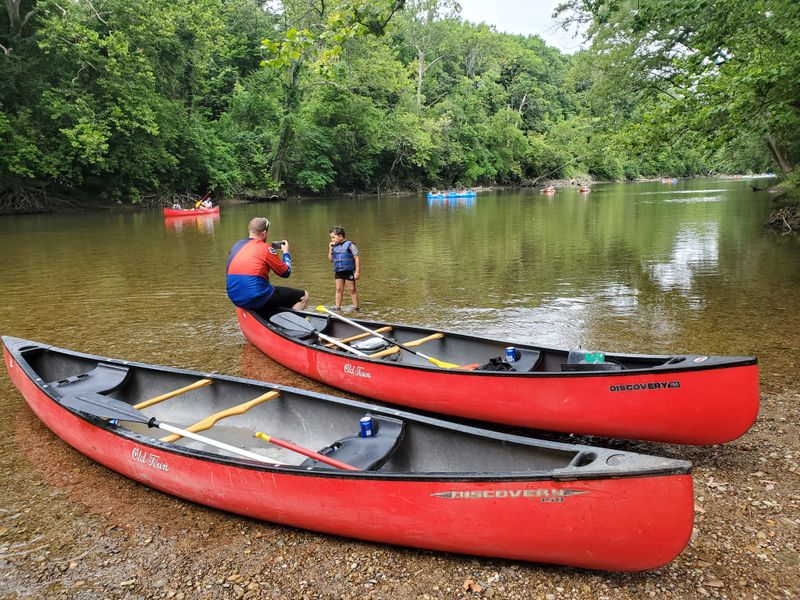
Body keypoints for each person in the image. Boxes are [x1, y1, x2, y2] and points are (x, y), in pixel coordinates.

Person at [226, 217, 309, 317]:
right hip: (256, 297)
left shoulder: (237, 245)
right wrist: (286, 253)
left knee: (268, 288)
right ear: (264, 233)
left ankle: (263, 314)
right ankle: (291, 324)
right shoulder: (266, 248)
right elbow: (285, 272)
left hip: (235, 297)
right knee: (304, 296)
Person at [327, 226, 360, 311]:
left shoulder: (350, 245)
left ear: (341, 236)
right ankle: (337, 307)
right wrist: (330, 249)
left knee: (352, 290)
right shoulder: (333, 247)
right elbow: (330, 260)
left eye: (333, 237)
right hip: (338, 272)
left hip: (348, 271)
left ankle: (356, 308)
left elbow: (356, 258)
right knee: (338, 289)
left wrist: (357, 272)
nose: (332, 240)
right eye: (331, 238)